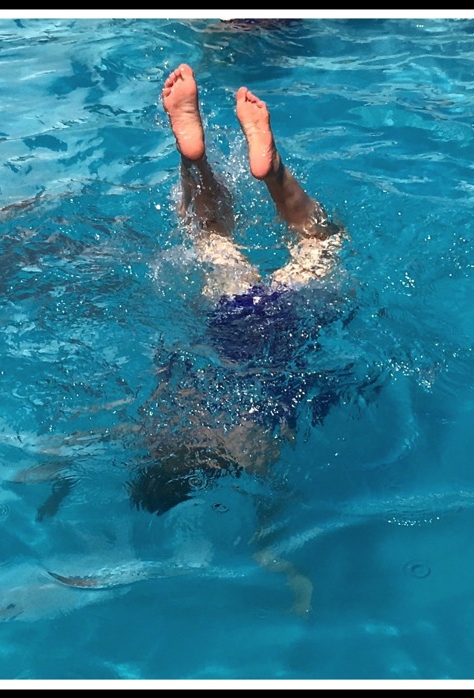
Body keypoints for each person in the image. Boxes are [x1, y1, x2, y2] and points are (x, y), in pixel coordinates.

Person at [125, 64, 345, 518]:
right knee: (211, 237)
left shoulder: (251, 456)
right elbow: (74, 442)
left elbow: (277, 516)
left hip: (292, 323)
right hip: (231, 319)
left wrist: (276, 557)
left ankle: (269, 169)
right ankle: (203, 160)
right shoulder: (152, 430)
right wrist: (49, 478)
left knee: (322, 245)